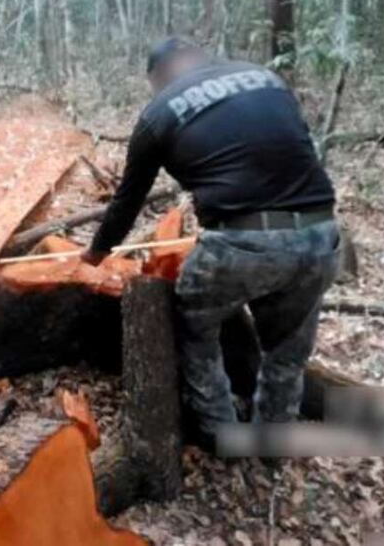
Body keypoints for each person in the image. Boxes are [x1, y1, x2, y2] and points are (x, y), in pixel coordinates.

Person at [82, 37, 340, 446]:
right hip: (320, 234)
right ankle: (274, 443)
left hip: (241, 246)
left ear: (159, 77)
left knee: (195, 327)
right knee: (286, 351)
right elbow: (296, 148)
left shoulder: (158, 113)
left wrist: (96, 252)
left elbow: (127, 201)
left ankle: (221, 435)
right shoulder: (267, 78)